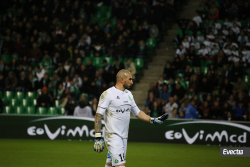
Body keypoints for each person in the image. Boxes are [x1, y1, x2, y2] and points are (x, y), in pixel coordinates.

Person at [93, 69, 169, 167]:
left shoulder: (128, 94)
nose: (132, 82)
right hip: (113, 136)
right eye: (130, 79)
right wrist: (98, 136)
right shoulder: (108, 94)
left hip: (123, 137)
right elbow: (98, 115)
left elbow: (137, 112)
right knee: (121, 165)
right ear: (122, 80)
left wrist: (152, 120)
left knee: (110, 165)